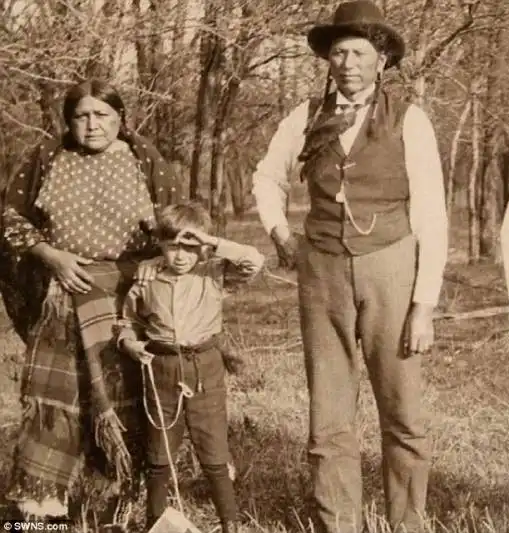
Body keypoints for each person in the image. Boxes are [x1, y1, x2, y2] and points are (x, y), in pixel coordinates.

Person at [251, 1, 448, 532]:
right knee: (329, 410)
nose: (349, 63)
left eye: (360, 51)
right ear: (327, 59)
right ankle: (337, 523)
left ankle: (408, 522)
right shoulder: (304, 116)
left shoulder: (410, 119)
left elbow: (432, 213)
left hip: (391, 265)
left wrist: (423, 305)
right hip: (322, 273)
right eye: (339, 52)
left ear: (381, 59)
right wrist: (280, 234)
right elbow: (266, 177)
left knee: (402, 407)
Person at [0, 79, 187, 526]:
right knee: (55, 404)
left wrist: (155, 260)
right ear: (68, 121)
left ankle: (113, 504)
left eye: (102, 115)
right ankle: (36, 512)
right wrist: (51, 256)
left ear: (121, 120)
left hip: (126, 298)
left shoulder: (146, 161)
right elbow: (10, 219)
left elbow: (180, 226)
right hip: (62, 296)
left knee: (119, 400)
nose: (92, 124)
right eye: (81, 115)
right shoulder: (47, 159)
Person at [115, 202, 264, 533]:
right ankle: (154, 523)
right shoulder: (148, 278)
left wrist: (211, 242)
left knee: (213, 452)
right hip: (161, 367)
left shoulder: (212, 274)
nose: (180, 256)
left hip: (204, 367)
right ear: (160, 246)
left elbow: (254, 260)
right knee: (159, 454)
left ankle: (231, 522)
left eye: (189, 247)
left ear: (202, 248)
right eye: (172, 247)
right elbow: (129, 321)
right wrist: (129, 342)